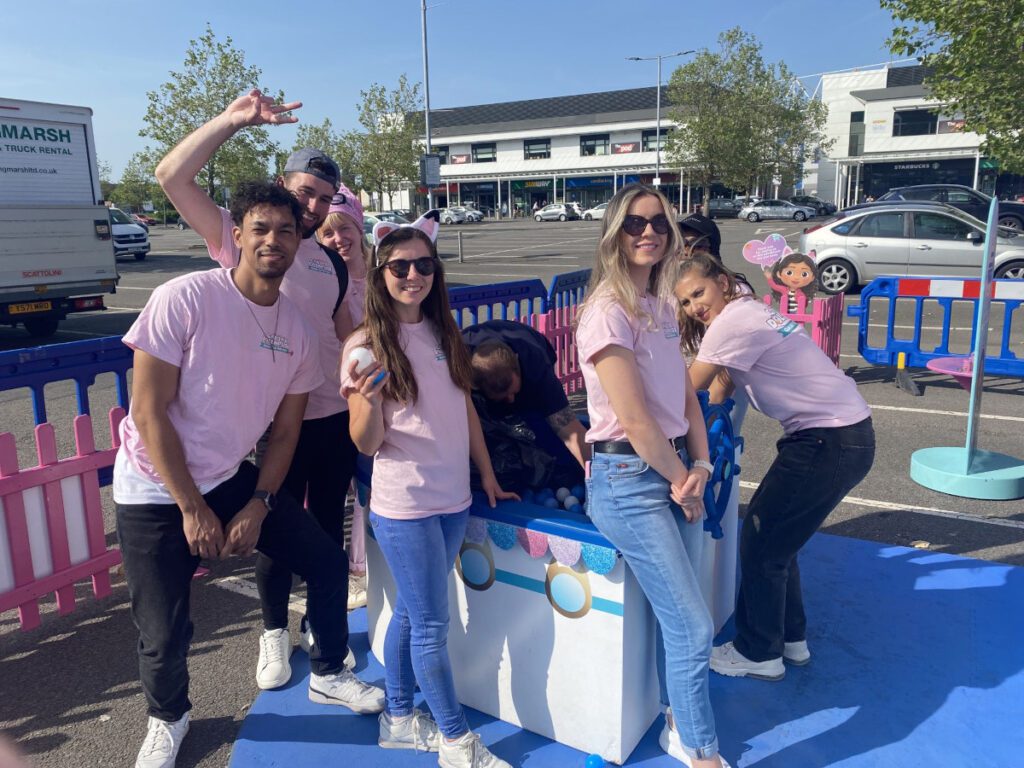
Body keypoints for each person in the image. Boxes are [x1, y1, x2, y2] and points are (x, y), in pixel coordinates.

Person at [114, 182, 382, 768]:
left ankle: (330, 670)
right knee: (164, 631)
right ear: (235, 235)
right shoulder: (182, 298)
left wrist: (260, 502)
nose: (273, 241)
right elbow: (147, 411)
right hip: (155, 486)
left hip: (229, 476)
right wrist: (191, 508)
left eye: (286, 231)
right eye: (260, 229)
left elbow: (285, 434)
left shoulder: (298, 332)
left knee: (326, 559)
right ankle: (170, 717)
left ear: (298, 242)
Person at [156, 89, 366, 694]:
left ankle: (319, 636)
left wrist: (365, 367)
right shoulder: (245, 237)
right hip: (272, 424)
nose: (312, 206)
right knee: (276, 524)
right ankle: (273, 631)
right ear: (282, 184)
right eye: (305, 192)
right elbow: (171, 175)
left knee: (326, 528)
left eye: (324, 199)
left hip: (328, 415)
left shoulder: (329, 260)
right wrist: (232, 120)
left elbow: (344, 333)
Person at [342, 214, 517, 768]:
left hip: (453, 500)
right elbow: (365, 445)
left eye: (423, 264)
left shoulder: (444, 333)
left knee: (417, 618)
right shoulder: (365, 346)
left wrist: (485, 473)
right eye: (400, 266)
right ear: (380, 274)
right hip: (406, 507)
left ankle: (397, 717)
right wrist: (368, 403)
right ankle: (456, 741)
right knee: (434, 626)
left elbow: (463, 407)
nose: (413, 275)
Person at [574, 183, 729, 768]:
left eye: (659, 224)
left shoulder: (662, 304)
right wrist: (681, 479)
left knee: (688, 617)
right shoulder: (606, 310)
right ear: (614, 232)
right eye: (636, 223)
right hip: (629, 480)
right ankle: (701, 750)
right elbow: (635, 420)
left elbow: (685, 400)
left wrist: (700, 465)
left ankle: (676, 720)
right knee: (692, 627)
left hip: (670, 470)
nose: (649, 233)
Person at [674, 253, 875, 682]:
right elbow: (726, 377)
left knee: (762, 541)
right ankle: (789, 639)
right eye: (686, 302)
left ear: (723, 283)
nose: (694, 307)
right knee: (780, 541)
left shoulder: (731, 322)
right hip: (843, 433)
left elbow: (688, 387)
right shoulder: (747, 307)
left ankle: (758, 652)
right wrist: (711, 413)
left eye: (698, 293)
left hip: (826, 438)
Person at [317, 186, 372, 610]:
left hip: (383, 398)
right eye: (327, 233)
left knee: (377, 485)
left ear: (359, 227)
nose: (338, 239)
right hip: (333, 401)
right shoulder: (321, 278)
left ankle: (376, 569)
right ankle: (356, 573)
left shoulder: (386, 272)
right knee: (346, 495)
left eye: (344, 229)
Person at [461, 319, 588, 473]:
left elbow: (570, 429)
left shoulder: (537, 369)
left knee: (539, 422)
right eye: (502, 397)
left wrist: (594, 476)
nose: (511, 400)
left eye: (513, 392)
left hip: (531, 345)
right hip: (474, 371)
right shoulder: (459, 365)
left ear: (518, 365)